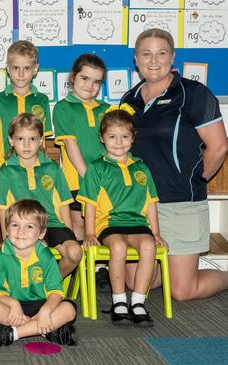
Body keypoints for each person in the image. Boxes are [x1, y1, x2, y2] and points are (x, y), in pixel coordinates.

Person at [120, 28, 228, 301]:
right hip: (140, 205)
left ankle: (211, 273)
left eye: (161, 53)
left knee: (182, 291)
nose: (153, 60)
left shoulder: (193, 94)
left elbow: (219, 147)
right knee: (136, 283)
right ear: (136, 59)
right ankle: (180, 265)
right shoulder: (127, 99)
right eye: (146, 53)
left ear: (172, 57)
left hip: (181, 202)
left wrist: (194, 179)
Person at [77, 106, 166, 327]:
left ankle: (138, 301)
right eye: (112, 137)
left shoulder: (142, 167)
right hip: (109, 223)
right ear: (102, 138)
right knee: (118, 248)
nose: (119, 142)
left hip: (137, 223)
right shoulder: (97, 168)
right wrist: (89, 232)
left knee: (148, 247)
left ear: (133, 138)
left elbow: (151, 203)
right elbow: (89, 204)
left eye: (125, 136)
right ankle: (119, 302)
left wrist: (155, 233)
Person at [0, 114, 82, 277]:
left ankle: (50, 283)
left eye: (32, 139)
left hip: (53, 224)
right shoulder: (5, 171)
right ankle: (39, 288)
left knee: (75, 253)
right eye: (20, 139)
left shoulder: (52, 168)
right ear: (11, 140)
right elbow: (3, 208)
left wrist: (69, 233)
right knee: (38, 251)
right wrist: (7, 236)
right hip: (23, 227)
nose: (26, 145)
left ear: (41, 140)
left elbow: (63, 203)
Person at [0, 199, 77, 348]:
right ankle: (46, 330)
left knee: (69, 310)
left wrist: (46, 311)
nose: (21, 231)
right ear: (7, 228)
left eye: (29, 226)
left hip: (42, 304)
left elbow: (56, 291)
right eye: (15, 225)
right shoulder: (1, 256)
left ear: (41, 233)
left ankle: (13, 334)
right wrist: (13, 304)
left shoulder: (45, 256)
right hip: (13, 308)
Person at [53, 54, 110, 240]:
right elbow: (70, 144)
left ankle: (100, 268)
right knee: (79, 224)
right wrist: (87, 176)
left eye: (96, 82)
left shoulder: (107, 109)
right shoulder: (63, 107)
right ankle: (81, 269)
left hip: (104, 179)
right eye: (84, 78)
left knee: (99, 223)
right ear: (73, 77)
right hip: (76, 179)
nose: (90, 86)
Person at [0, 41, 52, 189]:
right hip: (4, 171)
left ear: (35, 69)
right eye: (16, 68)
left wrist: (46, 168)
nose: (21, 74)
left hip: (36, 172)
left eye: (27, 68)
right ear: (8, 69)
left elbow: (42, 142)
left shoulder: (42, 100)